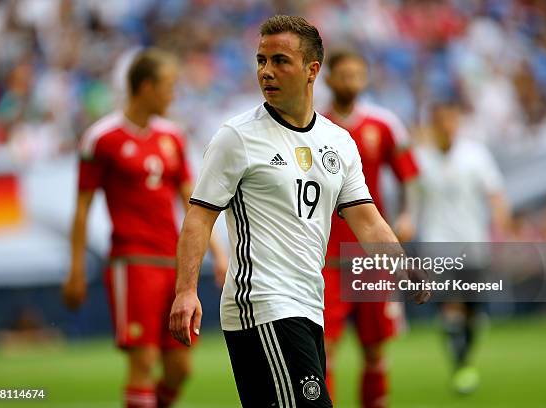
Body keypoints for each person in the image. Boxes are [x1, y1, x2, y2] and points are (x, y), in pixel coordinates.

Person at [169, 15, 430, 407]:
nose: (266, 72)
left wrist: (402, 266)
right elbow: (200, 215)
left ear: (312, 71)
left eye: (279, 61)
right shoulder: (237, 137)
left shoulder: (338, 142)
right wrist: (186, 290)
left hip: (309, 302)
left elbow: (368, 220)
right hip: (263, 303)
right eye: (261, 60)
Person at [62, 49, 228, 408]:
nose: (173, 94)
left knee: (180, 368)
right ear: (147, 87)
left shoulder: (173, 137)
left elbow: (192, 202)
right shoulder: (101, 138)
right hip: (132, 261)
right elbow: (82, 208)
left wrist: (217, 252)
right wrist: (75, 269)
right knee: (144, 361)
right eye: (169, 86)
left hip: (174, 263)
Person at [321, 49, 419, 407]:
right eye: (344, 75)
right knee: (325, 347)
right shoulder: (314, 125)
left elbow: (409, 175)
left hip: (370, 255)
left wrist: (409, 216)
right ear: (328, 79)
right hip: (326, 256)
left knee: (375, 350)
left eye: (357, 75)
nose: (351, 82)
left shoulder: (383, 124)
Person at [414, 98, 511, 394]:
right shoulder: (420, 157)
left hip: (473, 242)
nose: (446, 126)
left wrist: (501, 225)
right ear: (432, 124)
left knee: (475, 314)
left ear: (457, 122)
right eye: (440, 120)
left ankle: (463, 362)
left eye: (451, 120)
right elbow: (410, 194)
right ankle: (461, 368)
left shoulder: (475, 155)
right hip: (436, 242)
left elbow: (495, 193)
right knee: (451, 304)